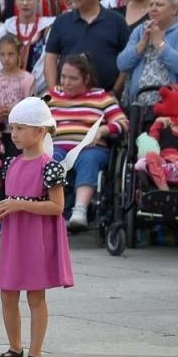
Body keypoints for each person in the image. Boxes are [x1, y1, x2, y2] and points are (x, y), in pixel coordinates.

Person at [0, 98, 74, 357]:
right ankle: (15, 347)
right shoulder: (11, 163)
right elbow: (9, 197)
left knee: (35, 296)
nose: (13, 134)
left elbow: (57, 207)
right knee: (8, 293)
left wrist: (19, 204)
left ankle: (36, 353)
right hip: (14, 237)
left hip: (35, 238)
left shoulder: (50, 166)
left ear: (40, 131)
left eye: (20, 128)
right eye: (12, 128)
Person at [44, 54, 128, 232]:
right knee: (50, 159)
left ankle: (79, 210)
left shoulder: (102, 97)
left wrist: (103, 130)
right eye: (63, 77)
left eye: (73, 78)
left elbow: (123, 123)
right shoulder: (51, 96)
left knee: (87, 159)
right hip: (58, 146)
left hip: (90, 148)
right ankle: (52, 209)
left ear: (86, 78)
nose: (66, 82)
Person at [0, 34, 36, 232]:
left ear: (19, 54)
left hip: (19, 135)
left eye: (11, 54)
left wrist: (15, 109)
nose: (7, 58)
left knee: (18, 172)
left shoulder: (27, 79)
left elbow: (32, 105)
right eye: (2, 54)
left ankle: (19, 212)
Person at [43, 0, 127, 91]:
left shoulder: (116, 22)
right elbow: (50, 58)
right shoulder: (61, 22)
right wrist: (54, 91)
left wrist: (115, 91)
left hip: (107, 100)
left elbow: (127, 60)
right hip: (67, 99)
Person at [117, 0, 178, 109]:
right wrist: (142, 43)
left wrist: (158, 42)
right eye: (151, 5)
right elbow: (122, 64)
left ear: (174, 9)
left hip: (173, 105)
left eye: (159, 5)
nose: (153, 8)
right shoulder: (140, 31)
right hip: (138, 104)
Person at [0, 0, 53, 94]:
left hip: (40, 94)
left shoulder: (48, 28)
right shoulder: (6, 28)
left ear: (38, 0)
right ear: (15, 0)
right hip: (8, 93)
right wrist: (10, 85)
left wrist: (31, 87)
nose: (25, 3)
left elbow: (48, 61)